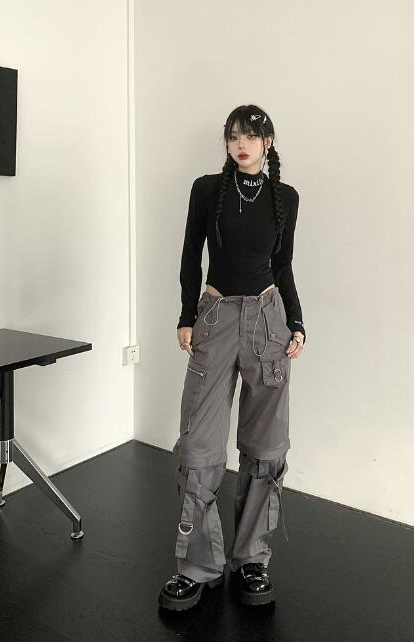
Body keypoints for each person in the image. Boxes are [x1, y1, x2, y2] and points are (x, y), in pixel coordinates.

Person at [158, 105, 306, 611]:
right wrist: (186, 315)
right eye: (233, 136)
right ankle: (198, 566)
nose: (241, 144)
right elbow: (189, 255)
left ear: (268, 141)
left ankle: (252, 559)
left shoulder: (286, 198)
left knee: (266, 444)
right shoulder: (206, 190)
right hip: (216, 317)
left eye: (251, 136)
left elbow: (283, 265)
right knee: (199, 444)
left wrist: (297, 321)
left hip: (268, 320)